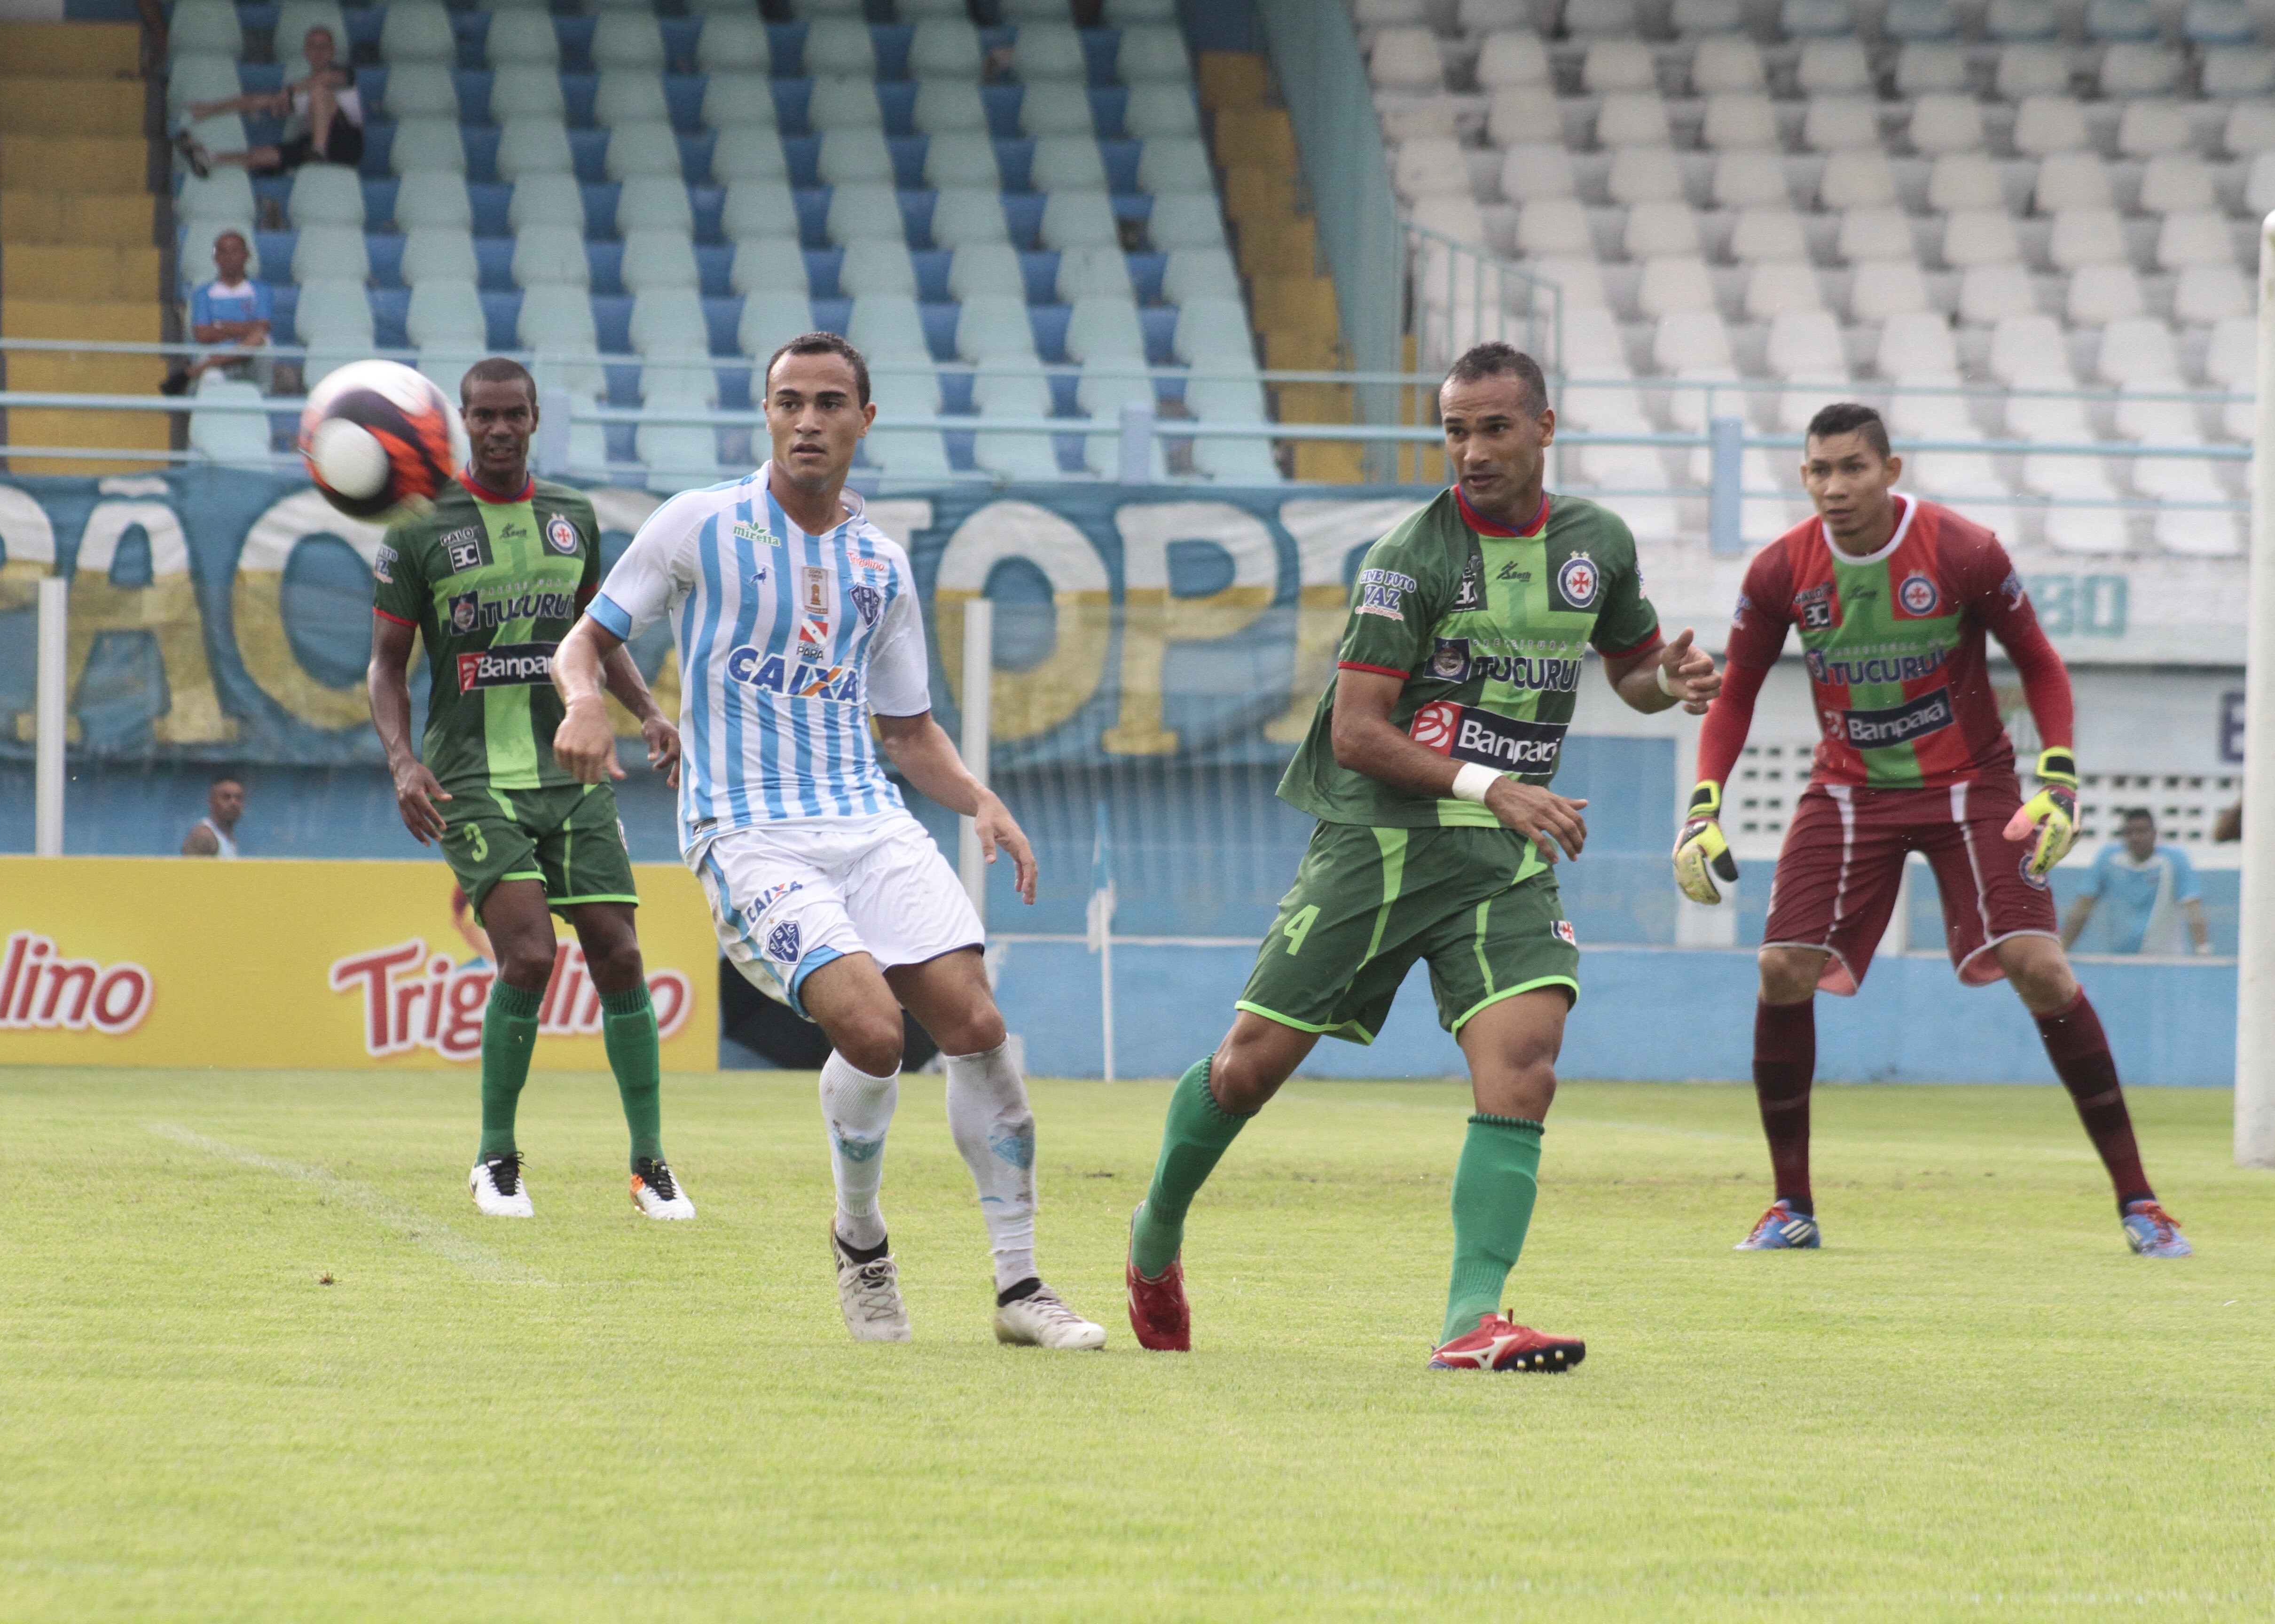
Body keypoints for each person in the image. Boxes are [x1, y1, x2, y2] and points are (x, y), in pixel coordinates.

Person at [1122, 342, 1722, 1373]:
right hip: (1382, 844)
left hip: (1501, 854)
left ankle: (1472, 1318)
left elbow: (1629, 672)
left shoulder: (1598, 542)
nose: (1472, 450)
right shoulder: (1411, 556)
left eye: (1493, 428)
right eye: (1454, 430)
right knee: (1248, 1069)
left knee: (1525, 1065)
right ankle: (1155, 1234)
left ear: (1544, 427)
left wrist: (1672, 680)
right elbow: (1357, 732)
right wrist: (1496, 785)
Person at [550, 331, 1107, 1351]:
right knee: (875, 1033)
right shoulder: (699, 524)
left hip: (868, 818)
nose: (807, 421)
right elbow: (585, 641)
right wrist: (587, 705)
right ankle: (860, 1240)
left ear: (864, 420)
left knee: (977, 1025)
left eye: (828, 404)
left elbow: (907, 732)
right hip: (749, 831)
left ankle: (1021, 1286)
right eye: (788, 402)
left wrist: (979, 799)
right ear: (766, 413)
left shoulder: (879, 563)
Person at [1676, 402, 2189, 1258]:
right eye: (1817, 471)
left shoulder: (1962, 549)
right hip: (1846, 792)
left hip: (1969, 787)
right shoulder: (1779, 571)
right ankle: (1788, 1204)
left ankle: (2139, 1203)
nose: (1834, 488)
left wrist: (2057, 774)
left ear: (1890, 470)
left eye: (1851, 468)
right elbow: (1733, 692)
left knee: (2040, 965)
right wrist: (1702, 804)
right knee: (1778, 966)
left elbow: (2039, 663)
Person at [365, 357, 698, 1224]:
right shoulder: (419, 527)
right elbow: (385, 667)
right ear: (463, 423)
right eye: (484, 416)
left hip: (572, 772)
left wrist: (649, 713)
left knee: (619, 953)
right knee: (529, 956)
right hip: (473, 781)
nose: (501, 429)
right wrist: (403, 759)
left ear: (536, 418)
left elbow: (597, 636)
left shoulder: (571, 518)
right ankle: (494, 1161)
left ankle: (649, 1165)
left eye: (515, 414)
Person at [173, 25, 363, 177]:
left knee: (319, 92)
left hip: (345, 143)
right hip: (309, 145)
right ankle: (210, 158)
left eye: (324, 46)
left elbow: (324, 81)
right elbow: (259, 101)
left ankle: (318, 152)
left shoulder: (344, 74)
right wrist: (211, 109)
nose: (319, 52)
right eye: (313, 46)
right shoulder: (300, 88)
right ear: (306, 51)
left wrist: (288, 91)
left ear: (333, 51)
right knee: (262, 155)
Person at [2062, 807, 2210, 955]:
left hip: (2165, 958)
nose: (2136, 837)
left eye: (2142, 831)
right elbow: (2084, 904)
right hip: (2120, 958)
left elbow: (2193, 907)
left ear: (2154, 834)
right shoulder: (2108, 858)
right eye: (2130, 832)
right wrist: (2062, 949)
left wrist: (2203, 951)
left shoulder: (2175, 860)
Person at [164, 231, 272, 396]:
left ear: (247, 255)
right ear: (216, 257)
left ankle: (193, 372)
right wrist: (245, 331)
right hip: (216, 353)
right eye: (223, 251)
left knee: (263, 342)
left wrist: (221, 327)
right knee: (213, 378)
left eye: (235, 251)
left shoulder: (261, 291)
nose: (229, 257)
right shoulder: (203, 293)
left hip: (252, 361)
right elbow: (202, 335)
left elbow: (262, 329)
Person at [182, 773, 245, 857]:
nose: (233, 803)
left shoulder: (229, 839)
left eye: (238, 798)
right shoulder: (204, 836)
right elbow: (189, 870)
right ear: (211, 801)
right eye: (226, 797)